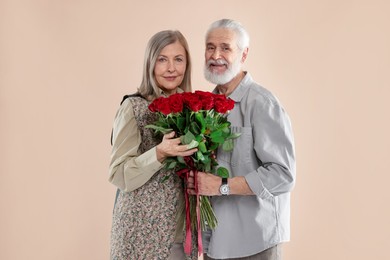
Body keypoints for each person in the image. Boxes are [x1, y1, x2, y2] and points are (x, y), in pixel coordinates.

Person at [187, 19, 296, 260]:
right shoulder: (205, 107)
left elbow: (283, 175)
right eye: (210, 46)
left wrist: (221, 185)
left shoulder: (262, 103)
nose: (216, 55)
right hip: (215, 242)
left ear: (243, 54)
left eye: (226, 47)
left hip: (254, 243)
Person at [109, 30, 198, 260]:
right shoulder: (134, 108)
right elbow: (119, 174)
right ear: (150, 63)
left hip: (182, 235)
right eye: (162, 59)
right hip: (141, 235)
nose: (171, 68)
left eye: (178, 59)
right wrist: (158, 153)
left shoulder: (194, 113)